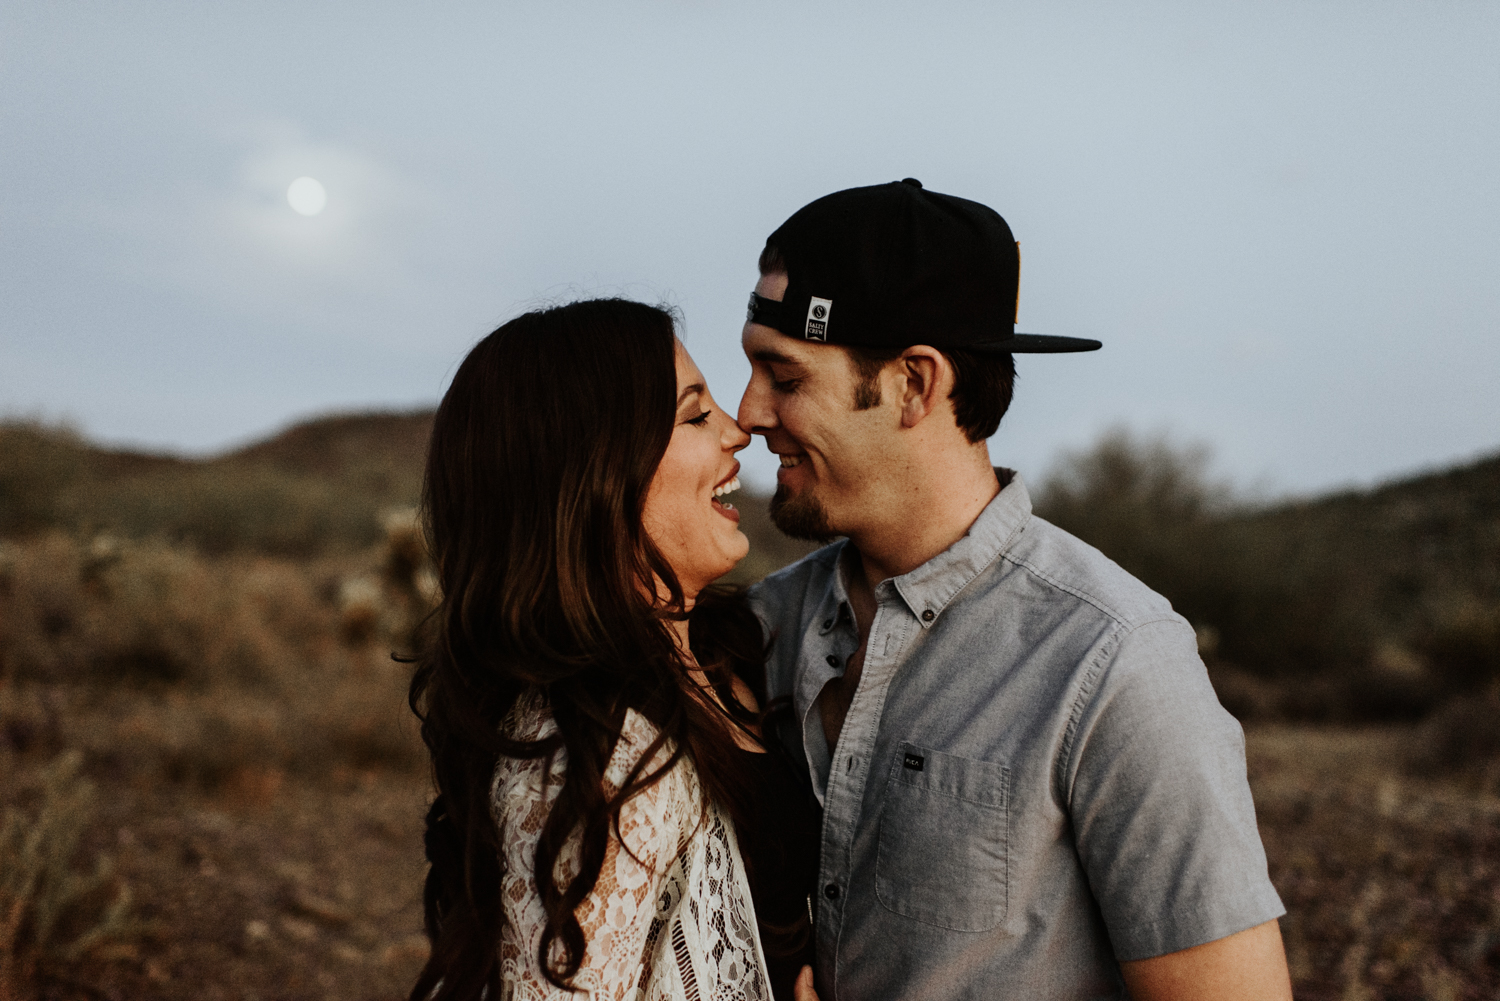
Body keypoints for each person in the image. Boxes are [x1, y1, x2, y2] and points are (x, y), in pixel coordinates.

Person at [738, 180, 1293, 1001]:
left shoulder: (1114, 663)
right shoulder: (758, 628)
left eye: (783, 375)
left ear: (915, 384)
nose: (748, 410)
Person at [407, 298, 820, 1001]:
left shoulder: (729, 652)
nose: (736, 430)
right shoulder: (592, 751)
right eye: (695, 415)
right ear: (597, 474)